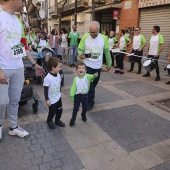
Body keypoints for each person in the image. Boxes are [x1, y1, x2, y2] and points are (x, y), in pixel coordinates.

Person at [0, 0, 45, 139]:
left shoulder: (18, 21)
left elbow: (24, 46)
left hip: (18, 68)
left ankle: (13, 127)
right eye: (23, 0)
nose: (24, 3)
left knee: (14, 100)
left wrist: (34, 64)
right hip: (3, 68)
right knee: (2, 101)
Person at [78, 21, 112, 110]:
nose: (92, 34)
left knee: (95, 83)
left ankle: (86, 95)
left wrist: (109, 63)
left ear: (99, 30)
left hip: (97, 66)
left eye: (95, 33)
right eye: (91, 32)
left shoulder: (104, 38)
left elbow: (106, 51)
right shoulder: (85, 37)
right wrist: (80, 54)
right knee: (91, 85)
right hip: (87, 65)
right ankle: (90, 102)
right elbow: (80, 49)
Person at [69, 63, 98, 127]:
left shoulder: (87, 76)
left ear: (85, 70)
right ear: (76, 70)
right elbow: (73, 88)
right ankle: (73, 119)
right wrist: (72, 96)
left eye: (83, 68)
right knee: (75, 109)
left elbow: (92, 76)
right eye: (79, 68)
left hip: (85, 96)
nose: (81, 69)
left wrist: (95, 75)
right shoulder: (75, 79)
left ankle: (83, 114)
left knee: (85, 108)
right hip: (77, 96)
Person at [43, 57, 65, 129]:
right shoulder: (48, 78)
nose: (61, 68)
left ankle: (57, 120)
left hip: (58, 97)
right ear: (53, 68)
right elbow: (45, 90)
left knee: (60, 110)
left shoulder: (58, 75)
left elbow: (59, 85)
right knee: (52, 112)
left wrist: (60, 94)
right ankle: (49, 120)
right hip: (51, 99)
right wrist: (47, 100)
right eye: (59, 67)